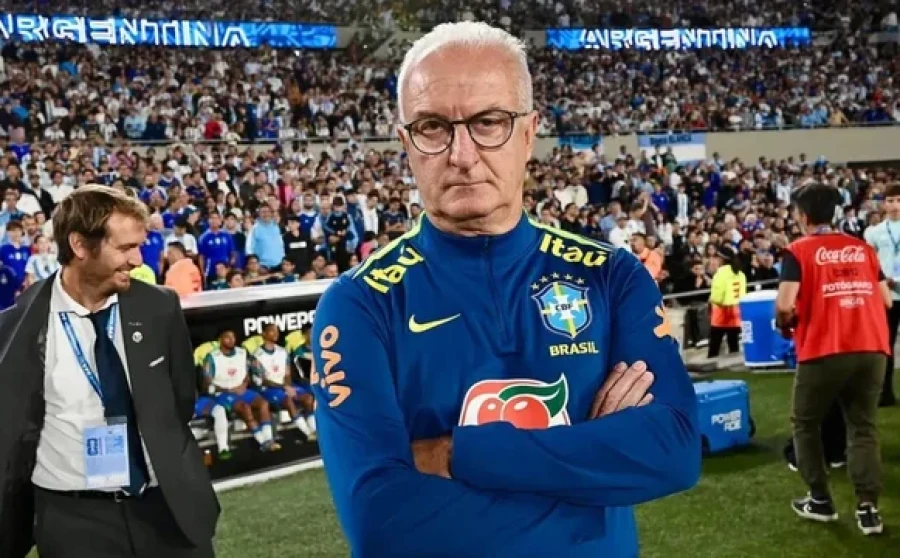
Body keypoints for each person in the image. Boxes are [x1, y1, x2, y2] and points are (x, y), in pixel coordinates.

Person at [310, 22, 700, 557]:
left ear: (528, 131)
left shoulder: (612, 275)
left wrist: (455, 455)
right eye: (431, 126)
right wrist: (591, 468)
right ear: (406, 143)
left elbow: (674, 450)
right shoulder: (360, 304)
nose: (462, 154)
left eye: (488, 121)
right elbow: (381, 521)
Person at [0, 185, 219, 558]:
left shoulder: (159, 308)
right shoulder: (15, 329)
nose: (138, 260)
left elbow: (181, 400)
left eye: (139, 245)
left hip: (165, 508)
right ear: (80, 246)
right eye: (124, 248)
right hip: (74, 522)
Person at [775, 182, 890, 536]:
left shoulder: (798, 251)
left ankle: (820, 500)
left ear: (803, 215)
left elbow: (784, 304)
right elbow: (886, 300)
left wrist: (785, 324)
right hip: (872, 347)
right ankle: (868, 509)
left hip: (825, 347)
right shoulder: (863, 249)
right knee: (863, 427)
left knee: (805, 424)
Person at [202, 329, 281, 452]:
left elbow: (249, 373)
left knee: (263, 403)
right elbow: (207, 381)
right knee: (245, 408)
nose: (231, 340)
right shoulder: (211, 357)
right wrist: (228, 389)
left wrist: (244, 385)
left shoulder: (242, 353)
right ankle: (262, 441)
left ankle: (269, 439)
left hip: (243, 390)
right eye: (227, 337)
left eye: (233, 337)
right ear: (220, 340)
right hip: (224, 393)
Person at [863, 182, 900, 407]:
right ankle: (885, 393)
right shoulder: (874, 232)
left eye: (898, 200)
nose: (895, 205)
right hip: (887, 295)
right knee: (885, 345)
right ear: (883, 204)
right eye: (890, 201)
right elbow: (869, 263)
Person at [251, 323, 317, 441]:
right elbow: (262, 380)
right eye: (272, 331)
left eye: (276, 330)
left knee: (308, 398)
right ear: (263, 334)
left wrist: (287, 385)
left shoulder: (282, 352)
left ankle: (314, 429)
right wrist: (284, 387)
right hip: (268, 389)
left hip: (285, 386)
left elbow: (287, 373)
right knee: (288, 399)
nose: (276, 333)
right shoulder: (257, 356)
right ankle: (307, 433)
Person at [707, 246, 747, 358]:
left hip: (721, 312)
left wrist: (711, 299)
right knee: (734, 344)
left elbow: (717, 297)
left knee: (715, 344)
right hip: (736, 311)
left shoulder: (720, 274)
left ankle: (711, 367)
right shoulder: (740, 274)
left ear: (721, 259)